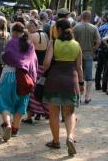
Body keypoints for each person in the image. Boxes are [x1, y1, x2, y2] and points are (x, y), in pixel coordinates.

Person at [43, 19, 84, 156]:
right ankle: (70, 137)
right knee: (70, 113)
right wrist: (81, 83)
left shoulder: (53, 43)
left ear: (59, 30)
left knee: (53, 113)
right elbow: (79, 67)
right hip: (71, 81)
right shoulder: (77, 45)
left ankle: (56, 141)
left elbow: (47, 64)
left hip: (54, 80)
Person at [0, 22, 37, 141]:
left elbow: (6, 57)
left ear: (13, 31)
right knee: (21, 104)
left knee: (4, 102)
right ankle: (15, 129)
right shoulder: (30, 45)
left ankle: (7, 124)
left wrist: (3, 56)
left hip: (9, 75)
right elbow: (33, 64)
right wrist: (33, 80)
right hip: (24, 78)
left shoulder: (11, 42)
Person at [23, 19, 50, 123]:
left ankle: (29, 116)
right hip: (45, 66)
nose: (28, 30)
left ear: (33, 26)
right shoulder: (46, 35)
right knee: (42, 89)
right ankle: (43, 112)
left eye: (29, 28)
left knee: (32, 90)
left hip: (35, 67)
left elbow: (27, 51)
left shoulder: (31, 36)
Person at [73, 10, 101, 104]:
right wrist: (93, 49)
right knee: (89, 77)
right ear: (89, 18)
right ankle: (87, 96)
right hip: (89, 53)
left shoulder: (76, 27)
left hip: (77, 54)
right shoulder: (94, 28)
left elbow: (72, 40)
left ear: (81, 17)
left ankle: (78, 96)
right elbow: (98, 41)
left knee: (77, 75)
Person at [95, 15, 108, 92]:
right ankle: (105, 87)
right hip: (106, 50)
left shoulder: (101, 27)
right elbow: (107, 39)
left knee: (99, 68)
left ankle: (97, 85)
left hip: (100, 49)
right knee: (106, 69)